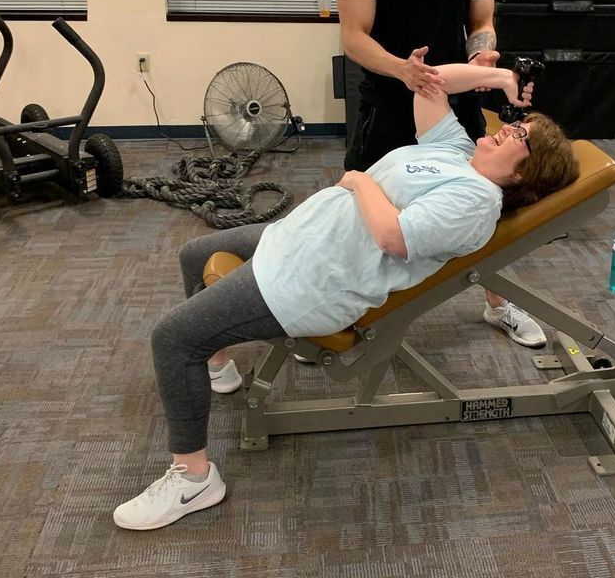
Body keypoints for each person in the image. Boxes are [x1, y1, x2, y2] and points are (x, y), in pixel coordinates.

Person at [112, 61, 580, 530]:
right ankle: (214, 364)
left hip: (310, 283)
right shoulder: (457, 151)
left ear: (524, 175)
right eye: (519, 123)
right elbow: (430, 84)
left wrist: (360, 180)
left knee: (171, 339)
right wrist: (498, 80)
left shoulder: (475, 201)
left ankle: (194, 479)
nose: (511, 129)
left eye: (522, 136)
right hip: (298, 240)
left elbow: (393, 236)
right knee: (196, 254)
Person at [335, 0, 548, 347]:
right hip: (387, 105)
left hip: (451, 105)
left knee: (488, 208)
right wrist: (403, 71)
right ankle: (337, 316)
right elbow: (354, 35)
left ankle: (498, 305)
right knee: (360, 211)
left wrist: (482, 55)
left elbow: (482, 20)